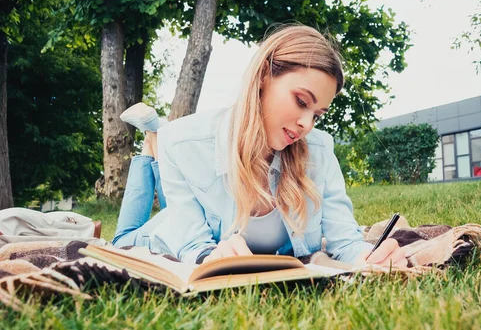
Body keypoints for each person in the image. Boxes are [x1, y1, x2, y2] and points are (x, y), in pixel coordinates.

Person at [112, 25, 407, 268]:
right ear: (264, 76)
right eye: (301, 101)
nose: (307, 124)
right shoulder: (183, 142)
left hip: (184, 180)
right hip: (163, 233)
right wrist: (210, 256)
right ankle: (152, 141)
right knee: (120, 241)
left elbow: (346, 239)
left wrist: (369, 257)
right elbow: (193, 245)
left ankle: (154, 139)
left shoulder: (319, 149)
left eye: (317, 114)